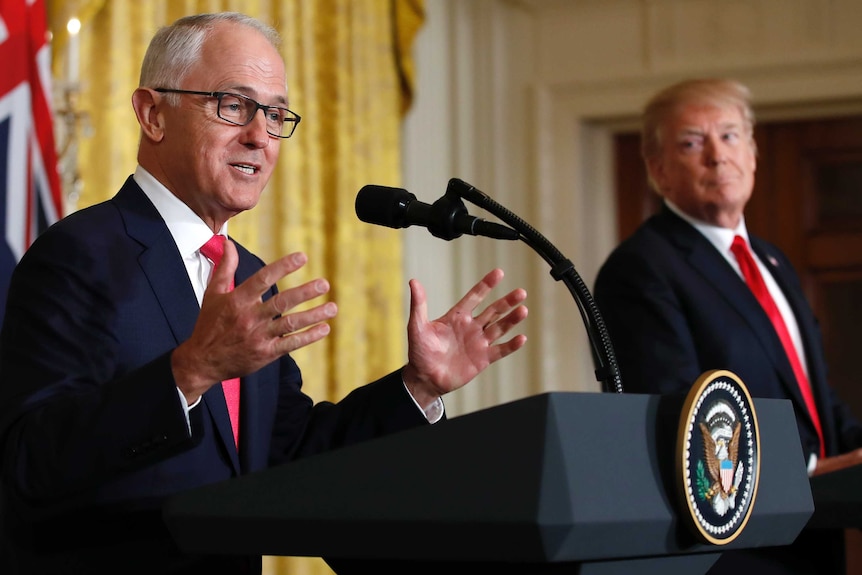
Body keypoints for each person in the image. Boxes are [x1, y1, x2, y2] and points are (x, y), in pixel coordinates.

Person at [0, 12, 528, 575]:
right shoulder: (80, 254)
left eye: (275, 114)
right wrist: (189, 372)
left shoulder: (248, 276)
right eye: (233, 104)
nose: (259, 135)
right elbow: (28, 464)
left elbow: (292, 460)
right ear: (153, 114)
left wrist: (416, 388)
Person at [593, 77, 862, 574]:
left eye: (731, 135)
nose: (718, 156)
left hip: (817, 534)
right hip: (731, 551)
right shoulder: (641, 268)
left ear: (753, 153)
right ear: (658, 170)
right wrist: (810, 471)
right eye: (693, 143)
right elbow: (676, 416)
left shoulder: (771, 260)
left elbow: (813, 395)